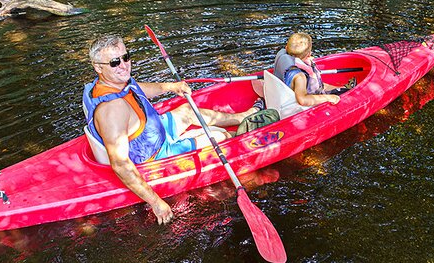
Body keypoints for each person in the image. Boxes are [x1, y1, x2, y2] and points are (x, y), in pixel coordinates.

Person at [82, 34, 258, 225]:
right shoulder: (112, 110)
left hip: (151, 131)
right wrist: (156, 202)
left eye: (126, 57)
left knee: (188, 111)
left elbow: (137, 88)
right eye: (115, 62)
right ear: (98, 67)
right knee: (219, 137)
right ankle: (244, 135)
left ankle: (241, 117)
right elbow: (120, 165)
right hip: (154, 154)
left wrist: (171, 87)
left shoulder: (112, 83)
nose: (124, 65)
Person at [272, 32, 341, 107]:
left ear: (286, 48)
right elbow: (302, 100)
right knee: (337, 96)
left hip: (281, 95)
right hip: (297, 107)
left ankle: (342, 88)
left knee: (339, 89)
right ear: (309, 54)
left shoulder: (284, 60)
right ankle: (343, 89)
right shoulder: (300, 77)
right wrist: (328, 98)